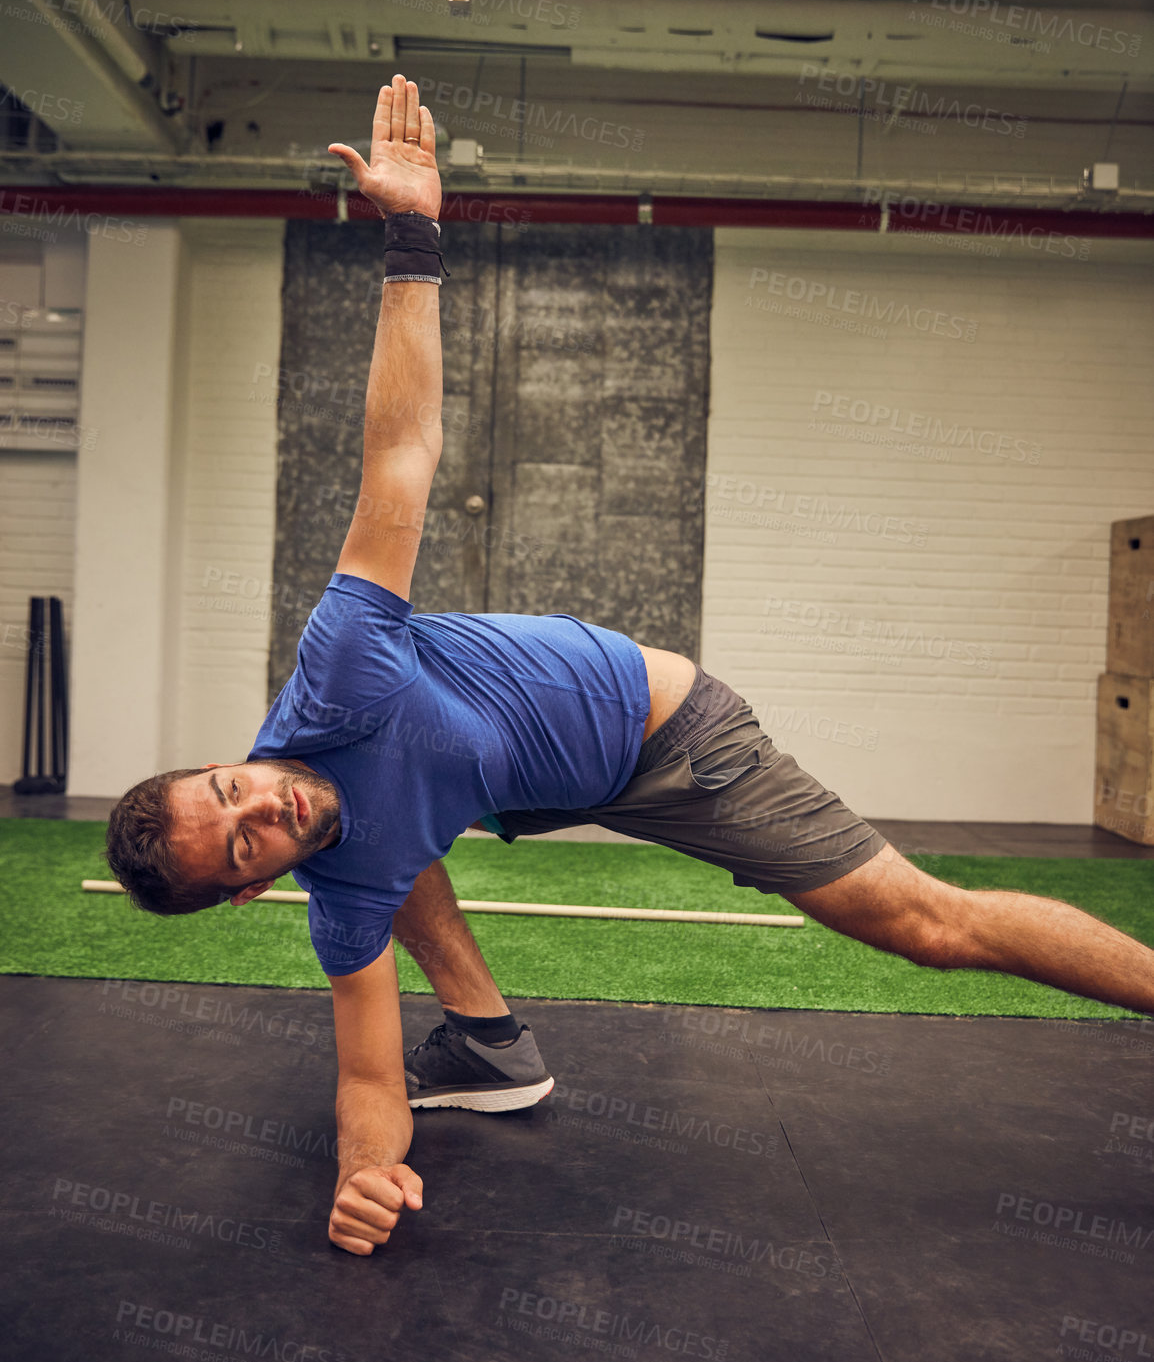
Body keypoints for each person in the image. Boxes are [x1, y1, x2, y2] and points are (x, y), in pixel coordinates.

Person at [106, 75, 1154, 1260]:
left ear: (219, 764)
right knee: (379, 851)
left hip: (669, 743)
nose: (266, 803)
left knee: (923, 922)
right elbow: (362, 1074)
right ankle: (492, 1045)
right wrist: (363, 1171)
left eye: (231, 788)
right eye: (244, 842)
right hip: (521, 774)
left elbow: (400, 449)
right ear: (251, 888)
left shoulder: (340, 671)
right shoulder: (335, 895)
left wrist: (411, 234)